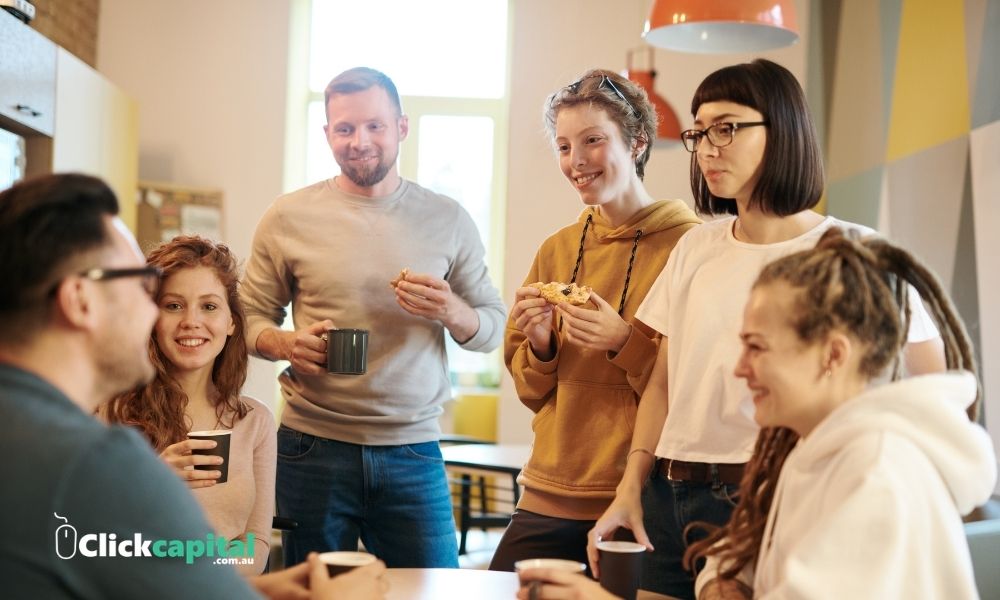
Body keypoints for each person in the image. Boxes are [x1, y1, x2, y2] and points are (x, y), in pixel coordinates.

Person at [587, 59, 945, 599]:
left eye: (726, 127)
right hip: (670, 493)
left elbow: (930, 383)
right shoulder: (696, 246)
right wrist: (630, 487)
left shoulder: (852, 251)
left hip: (776, 495)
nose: (708, 147)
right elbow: (664, 382)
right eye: (698, 132)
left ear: (783, 131)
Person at [0, 173, 386, 599]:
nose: (153, 316)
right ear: (80, 301)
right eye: (140, 287)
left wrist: (265, 587)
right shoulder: (95, 457)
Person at [240, 66, 506, 568]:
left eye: (374, 126)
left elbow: (493, 326)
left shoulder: (447, 218)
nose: (359, 141)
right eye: (344, 129)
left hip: (413, 450)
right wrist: (284, 344)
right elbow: (249, 316)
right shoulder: (288, 216)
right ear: (327, 134)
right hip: (309, 446)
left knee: (436, 587)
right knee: (314, 592)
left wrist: (451, 310)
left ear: (401, 127)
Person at [686, 227, 996, 598]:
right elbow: (738, 555)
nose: (740, 368)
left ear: (833, 355)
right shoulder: (808, 449)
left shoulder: (877, 473)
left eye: (757, 347)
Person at [489, 69, 699, 572]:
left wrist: (624, 341)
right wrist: (541, 347)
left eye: (593, 141)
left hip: (639, 493)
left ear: (638, 142)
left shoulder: (688, 247)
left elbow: (693, 386)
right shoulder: (557, 248)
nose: (576, 161)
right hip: (549, 486)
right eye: (563, 146)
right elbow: (531, 389)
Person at [104, 235, 276, 575]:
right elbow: (87, 538)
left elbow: (255, 543)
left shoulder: (255, 422)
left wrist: (206, 576)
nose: (191, 322)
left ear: (231, 323)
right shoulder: (111, 411)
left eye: (209, 306)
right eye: (173, 305)